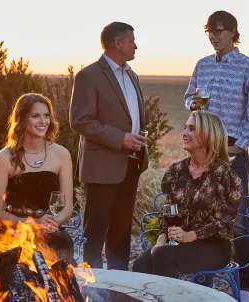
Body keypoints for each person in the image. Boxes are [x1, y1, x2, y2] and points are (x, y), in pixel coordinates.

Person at [184, 11, 249, 301]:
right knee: (198, 216)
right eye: (210, 32)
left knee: (239, 218)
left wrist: (238, 148)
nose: (214, 36)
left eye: (219, 31)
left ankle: (243, 286)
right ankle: (201, 283)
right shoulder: (202, 65)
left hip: (231, 151)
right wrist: (192, 103)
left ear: (233, 32)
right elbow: (188, 97)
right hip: (201, 149)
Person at [69, 21, 148, 270]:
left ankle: (120, 284)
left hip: (131, 163)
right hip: (102, 166)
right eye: (132, 41)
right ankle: (91, 287)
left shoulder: (132, 75)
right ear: (118, 43)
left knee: (122, 230)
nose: (135, 45)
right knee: (95, 231)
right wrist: (120, 138)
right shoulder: (89, 75)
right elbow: (80, 120)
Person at [131, 110, 241, 280]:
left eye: (191, 129)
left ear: (207, 135)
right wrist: (161, 240)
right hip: (179, 244)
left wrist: (191, 235)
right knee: (140, 264)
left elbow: (225, 224)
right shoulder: (176, 172)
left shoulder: (225, 176)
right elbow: (167, 212)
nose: (184, 133)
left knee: (165, 256)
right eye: (185, 128)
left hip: (214, 247)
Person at [0, 93, 76, 265]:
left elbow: (67, 207)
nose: (43, 121)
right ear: (21, 120)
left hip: (50, 234)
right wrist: (31, 225)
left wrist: (47, 226)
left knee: (62, 258)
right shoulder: (3, 158)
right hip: (15, 235)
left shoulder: (61, 154)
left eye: (46, 116)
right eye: (35, 116)